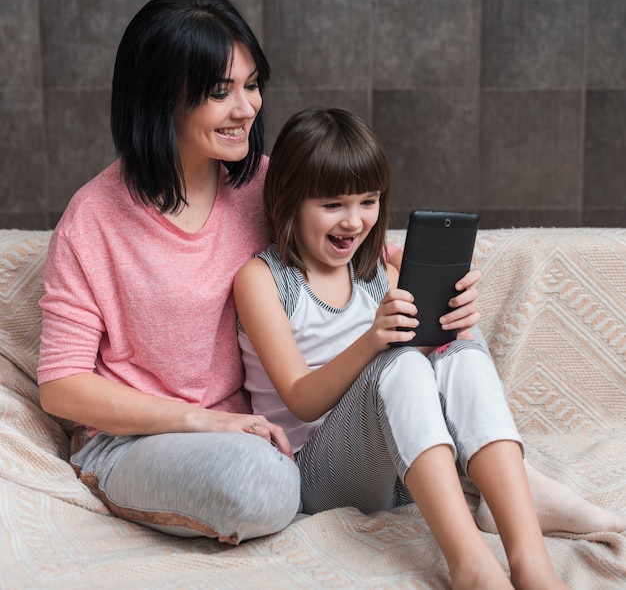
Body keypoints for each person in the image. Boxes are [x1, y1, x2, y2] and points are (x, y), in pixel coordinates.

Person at [234, 107, 623, 588]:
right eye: (332, 204)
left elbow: (425, 371)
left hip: (403, 475)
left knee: (458, 351)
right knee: (396, 360)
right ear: (288, 201)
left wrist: (453, 324)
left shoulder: (378, 265)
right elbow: (300, 396)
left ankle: (530, 560)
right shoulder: (262, 279)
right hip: (317, 473)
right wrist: (373, 342)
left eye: (368, 201)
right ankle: (473, 566)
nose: (354, 221)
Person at [35, 0, 304, 545]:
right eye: (219, 93)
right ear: (161, 100)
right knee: (262, 481)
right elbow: (61, 386)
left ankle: (510, 501)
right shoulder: (93, 220)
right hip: (132, 443)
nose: (247, 109)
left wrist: (417, 281)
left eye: (251, 85)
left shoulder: (267, 186)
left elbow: (357, 255)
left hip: (257, 427)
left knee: (440, 366)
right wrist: (204, 420)